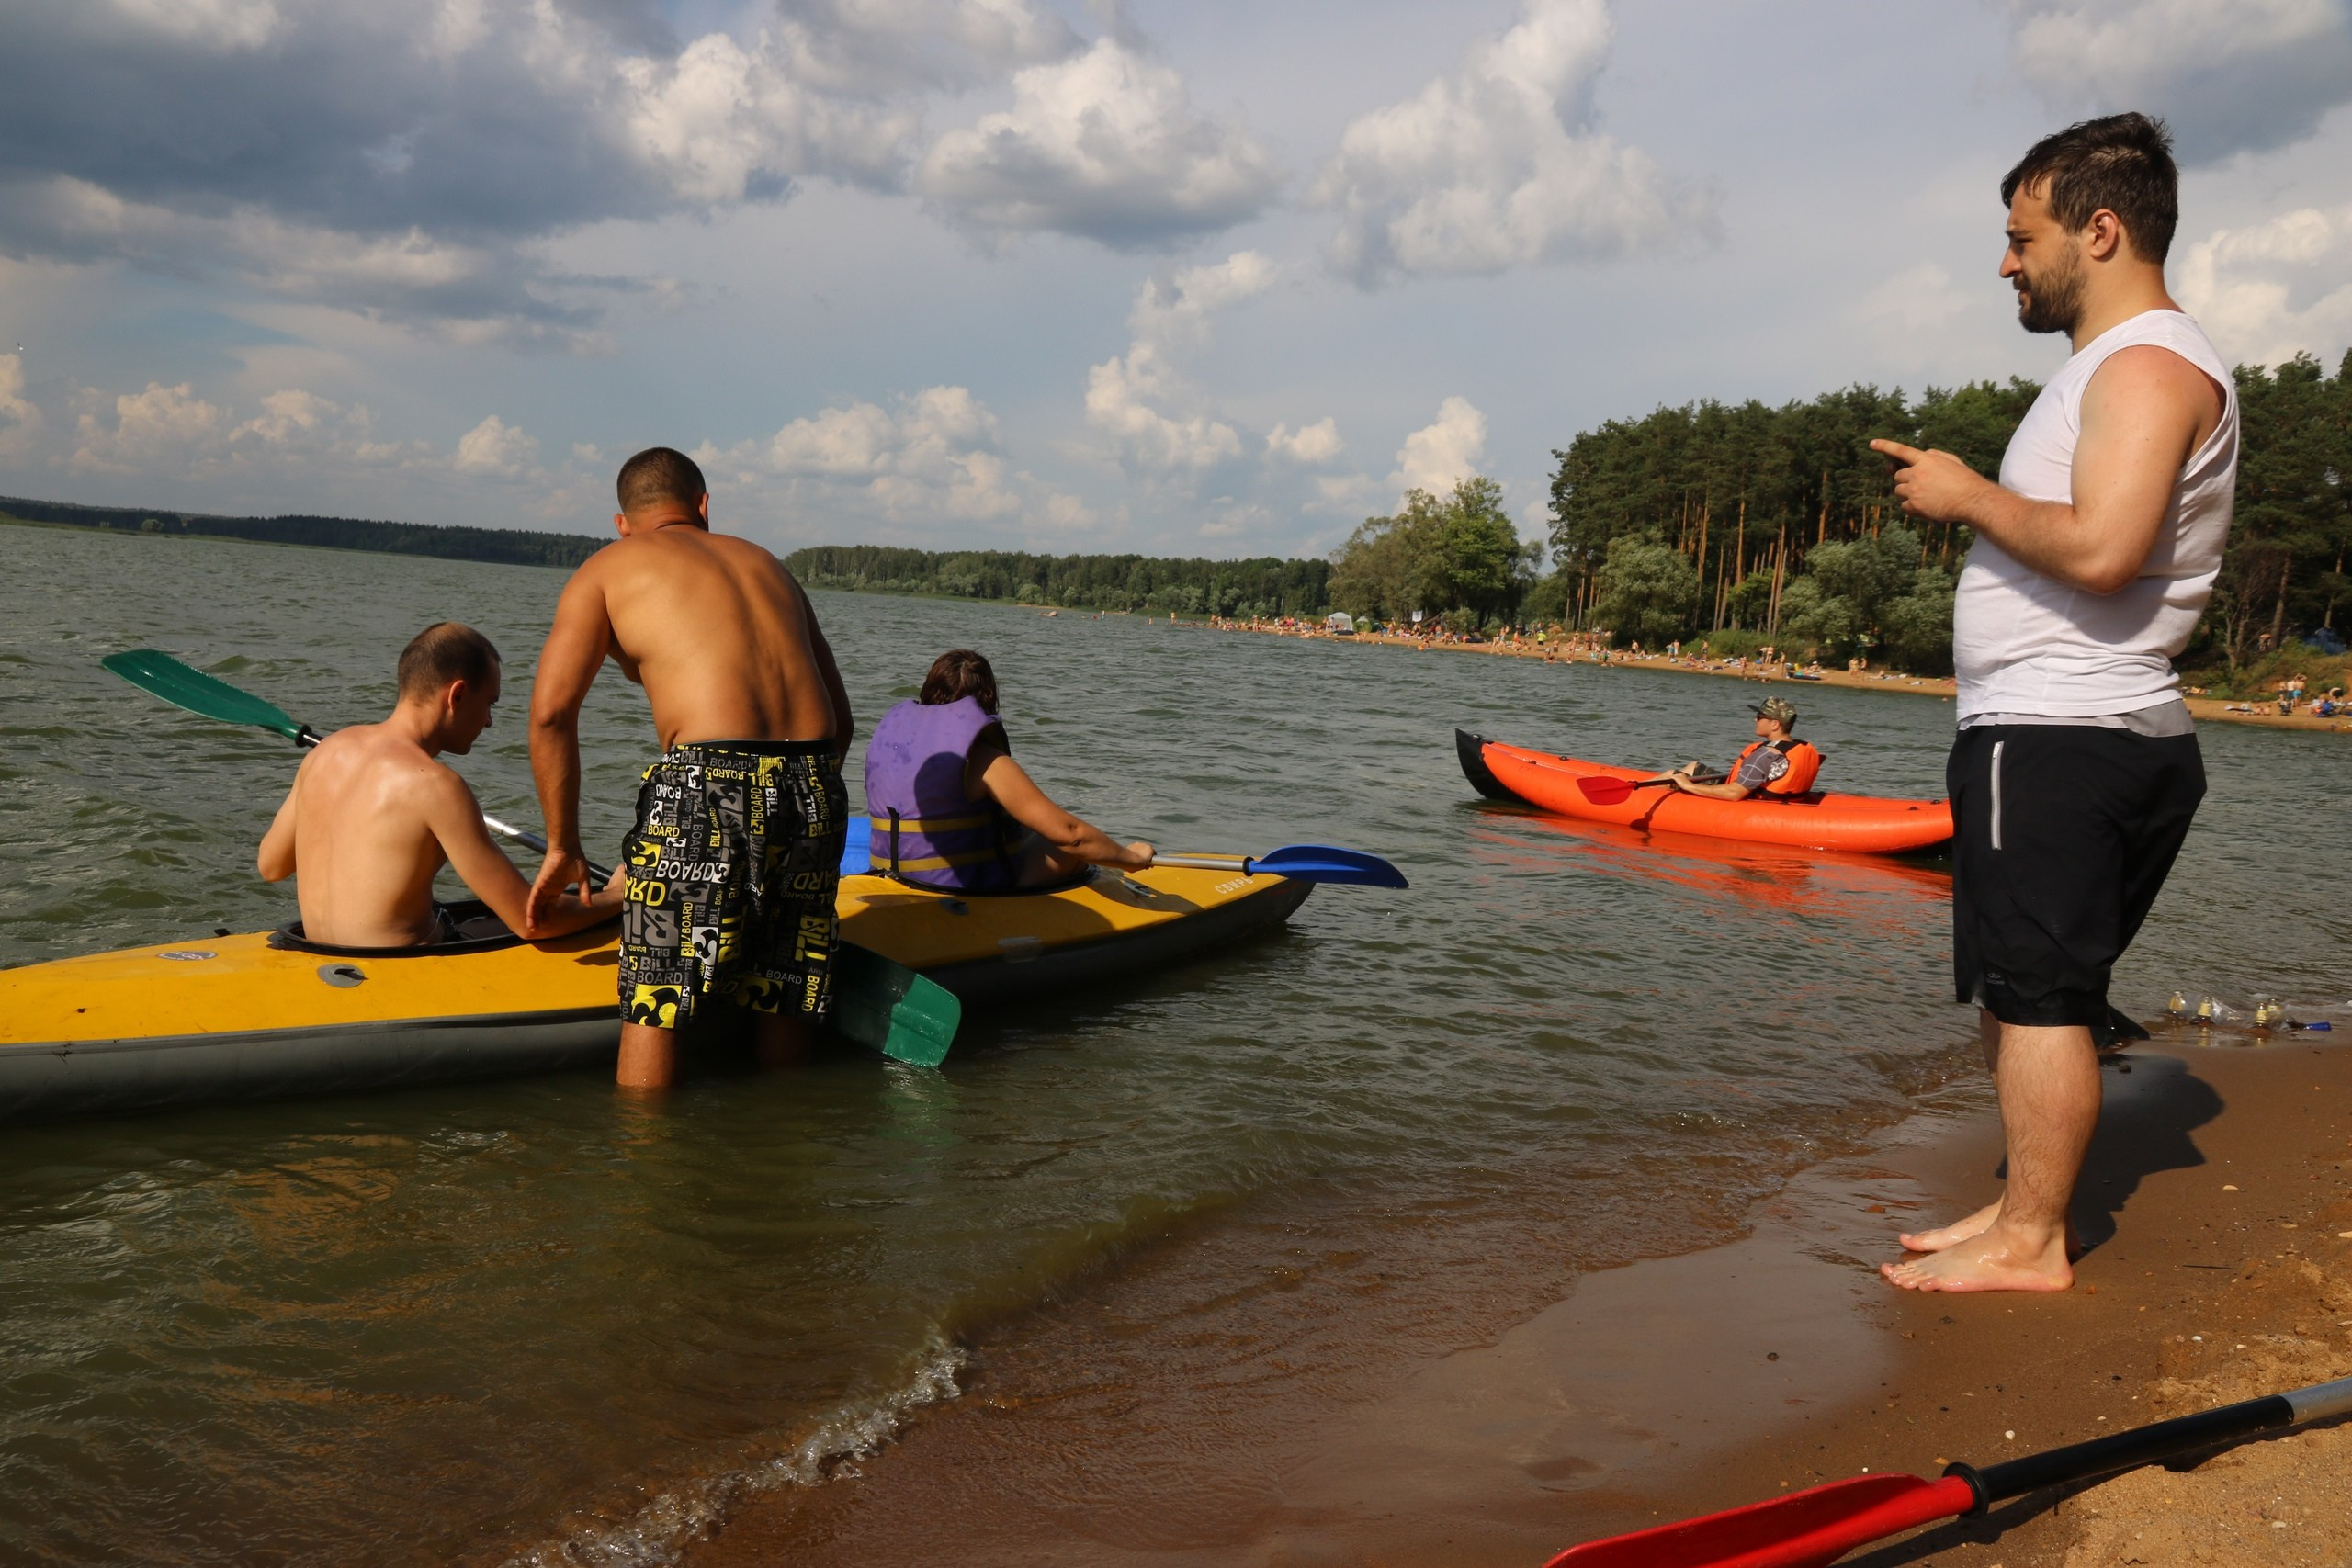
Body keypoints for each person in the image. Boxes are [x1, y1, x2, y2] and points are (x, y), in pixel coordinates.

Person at [1869, 113, 2234, 1292]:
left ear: (2101, 228)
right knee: (2031, 993)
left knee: (2037, 997)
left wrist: (1967, 494)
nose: (2006, 264)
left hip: (2065, 735)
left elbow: (2104, 550)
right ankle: (2019, 1212)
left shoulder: (2143, 367)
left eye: (2022, 238)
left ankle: (2031, 1243)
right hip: (2059, 732)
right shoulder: (2120, 369)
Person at [526, 447, 855, 1091]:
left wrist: (563, 843)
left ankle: (645, 1168)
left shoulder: (607, 567)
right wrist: (785, 821)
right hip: (816, 778)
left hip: (707, 781)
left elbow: (549, 715)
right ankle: (783, 1146)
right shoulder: (769, 566)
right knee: (784, 986)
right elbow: (840, 718)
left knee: (657, 992)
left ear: (623, 522)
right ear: (703, 506)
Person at [258, 623, 620, 948]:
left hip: (315, 950)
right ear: (457, 695)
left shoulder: (323, 754)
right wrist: (621, 896)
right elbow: (532, 924)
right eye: (490, 703)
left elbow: (271, 866)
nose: (490, 721)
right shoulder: (436, 787)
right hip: (394, 970)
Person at [863, 649, 1152, 890]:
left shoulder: (893, 744)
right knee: (1066, 849)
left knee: (1025, 829)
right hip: (953, 889)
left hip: (892, 878)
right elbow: (1071, 834)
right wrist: (1131, 858)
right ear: (987, 698)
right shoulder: (983, 761)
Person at [1644, 697, 1822, 800]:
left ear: (1775, 724)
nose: (1755, 720)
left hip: (1749, 802)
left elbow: (1734, 793)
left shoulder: (1765, 755)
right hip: (1776, 797)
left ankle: (1637, 800)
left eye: (1760, 717)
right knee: (1693, 767)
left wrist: (1686, 785)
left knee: (1671, 776)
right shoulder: (1796, 748)